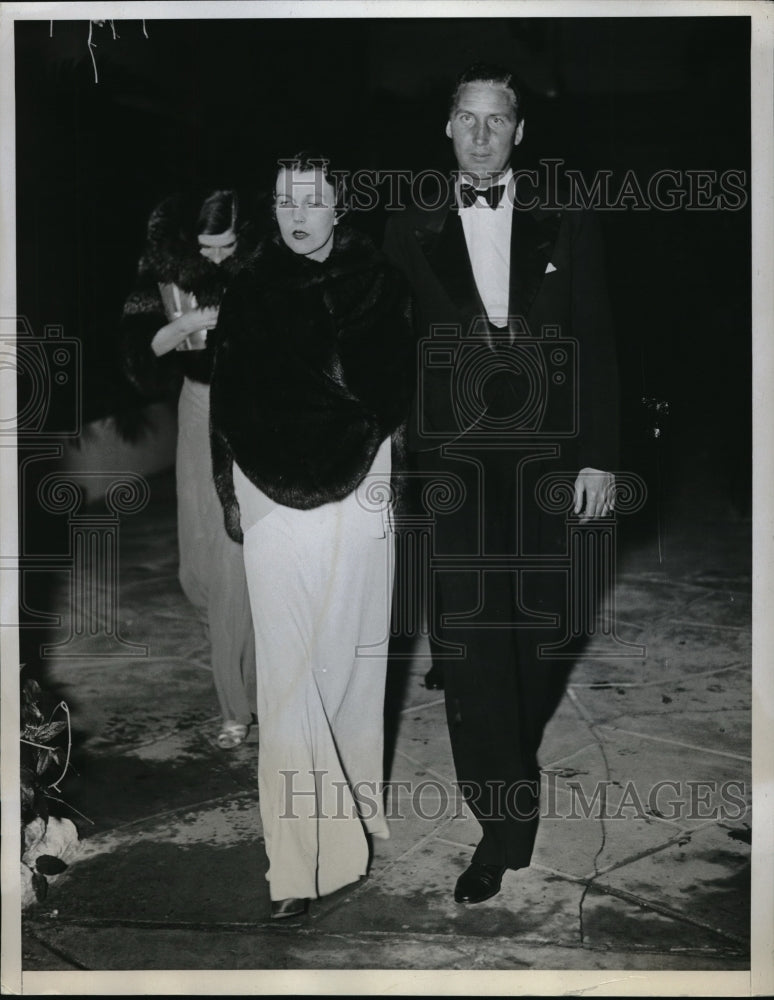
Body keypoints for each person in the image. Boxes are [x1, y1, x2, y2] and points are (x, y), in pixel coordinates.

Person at [383, 63, 619, 904]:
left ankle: (511, 756)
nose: (481, 135)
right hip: (452, 461)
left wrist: (600, 456)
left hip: (550, 457)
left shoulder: (567, 212)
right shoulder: (407, 223)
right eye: (468, 118)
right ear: (447, 126)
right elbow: (383, 343)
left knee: (538, 632)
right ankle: (501, 823)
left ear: (520, 132)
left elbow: (597, 334)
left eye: (497, 121)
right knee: (475, 645)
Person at [209, 153, 415, 919]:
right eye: (284, 200)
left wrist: (374, 461)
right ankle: (298, 862)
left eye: (312, 199)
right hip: (269, 490)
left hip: (359, 482)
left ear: (339, 205)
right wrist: (235, 492)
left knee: (352, 661)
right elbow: (226, 401)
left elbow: (396, 393)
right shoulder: (249, 286)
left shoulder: (380, 283)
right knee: (290, 677)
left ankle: (355, 805)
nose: (298, 214)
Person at [121, 189, 257, 749]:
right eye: (208, 248)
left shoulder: (263, 270)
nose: (218, 258)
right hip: (197, 409)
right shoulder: (166, 272)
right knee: (197, 570)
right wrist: (194, 321)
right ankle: (246, 688)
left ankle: (238, 708)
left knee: (233, 568)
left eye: (228, 246)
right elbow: (141, 350)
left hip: (250, 415)